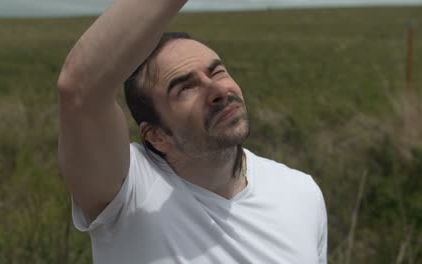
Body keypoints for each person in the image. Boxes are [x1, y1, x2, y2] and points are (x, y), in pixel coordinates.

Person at [57, 0, 327, 263]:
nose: (219, 91)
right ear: (156, 136)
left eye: (218, 72)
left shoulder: (301, 192)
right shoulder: (128, 193)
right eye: (185, 88)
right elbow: (80, 88)